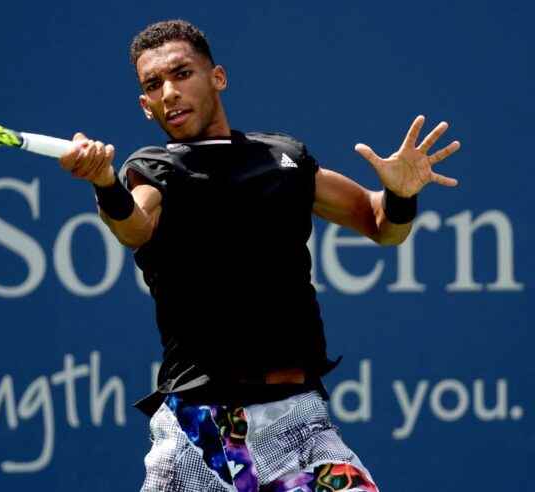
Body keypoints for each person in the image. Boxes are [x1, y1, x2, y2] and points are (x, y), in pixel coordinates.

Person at [59, 19, 460, 492]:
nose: (169, 92)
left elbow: (380, 226)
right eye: (154, 85)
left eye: (181, 74)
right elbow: (135, 227)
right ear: (145, 106)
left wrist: (399, 195)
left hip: (300, 418)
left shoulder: (283, 159)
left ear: (218, 78)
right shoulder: (153, 169)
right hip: (201, 429)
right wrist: (105, 184)